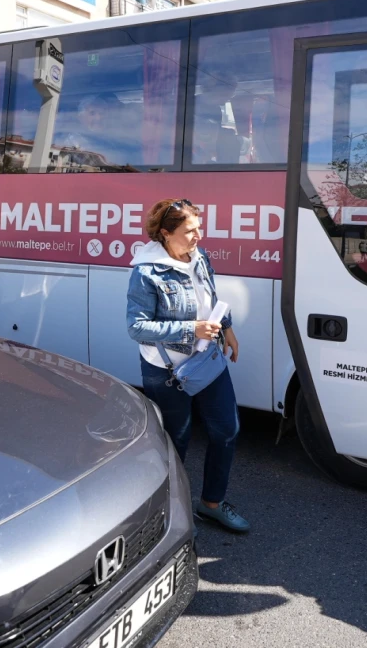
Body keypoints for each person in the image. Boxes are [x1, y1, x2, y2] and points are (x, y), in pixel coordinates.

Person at [126, 198, 248, 533]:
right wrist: (190, 328)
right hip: (167, 372)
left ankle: (211, 504)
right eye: (189, 230)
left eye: (199, 228)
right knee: (175, 443)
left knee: (227, 430)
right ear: (165, 233)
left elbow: (210, 295)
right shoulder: (146, 273)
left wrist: (228, 329)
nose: (198, 236)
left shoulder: (200, 256)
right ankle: (167, 514)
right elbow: (136, 327)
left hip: (207, 360)